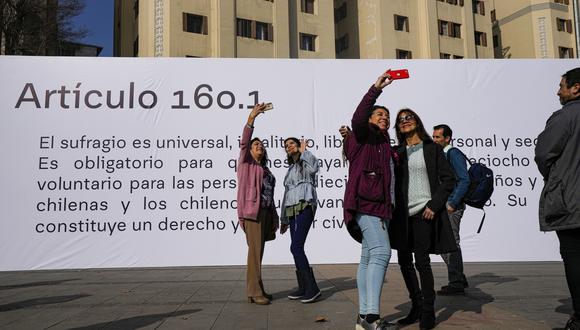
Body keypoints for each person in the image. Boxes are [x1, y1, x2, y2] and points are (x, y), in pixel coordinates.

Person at [389, 108, 456, 330]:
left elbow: (448, 180)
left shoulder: (432, 148)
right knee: (404, 262)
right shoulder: (396, 151)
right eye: (400, 121)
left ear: (417, 122)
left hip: (423, 212)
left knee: (422, 263)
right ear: (398, 128)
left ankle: (428, 311)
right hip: (402, 216)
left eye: (408, 118)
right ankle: (416, 306)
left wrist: (434, 205)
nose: (405, 122)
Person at [342, 73, 398, 330]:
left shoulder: (385, 142)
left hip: (380, 208)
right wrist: (376, 89)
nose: (384, 118)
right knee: (382, 253)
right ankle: (372, 316)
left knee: (367, 257)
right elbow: (357, 117)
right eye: (379, 115)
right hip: (366, 204)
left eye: (387, 116)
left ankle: (364, 316)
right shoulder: (363, 135)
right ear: (369, 120)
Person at [535, 67, 580, 330]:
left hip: (571, 202)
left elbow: (544, 154)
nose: (558, 91)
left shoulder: (565, 117)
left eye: (562, 85)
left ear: (576, 88)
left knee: (574, 256)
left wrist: (556, 178)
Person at [237, 103, 279, 305]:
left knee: (258, 253)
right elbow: (244, 143)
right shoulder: (246, 163)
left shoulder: (266, 170)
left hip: (265, 213)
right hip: (252, 214)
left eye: (262, 145)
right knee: (254, 254)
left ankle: (257, 288)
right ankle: (254, 291)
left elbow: (270, 196)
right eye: (256, 145)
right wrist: (251, 118)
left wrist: (274, 217)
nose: (259, 147)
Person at [279, 137, 321, 303]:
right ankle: (303, 287)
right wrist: (284, 218)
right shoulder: (290, 170)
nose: (288, 146)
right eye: (286, 145)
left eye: (291, 143)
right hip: (291, 210)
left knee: (296, 246)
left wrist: (305, 151)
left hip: (305, 205)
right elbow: (286, 195)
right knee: (296, 248)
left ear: (298, 146)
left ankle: (312, 288)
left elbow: (314, 168)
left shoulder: (306, 163)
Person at [432, 124, 470, 295]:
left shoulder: (453, 153)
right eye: (433, 137)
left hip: (451, 207)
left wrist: (452, 203)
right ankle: (458, 277)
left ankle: (456, 282)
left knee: (451, 243)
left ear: (447, 138)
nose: (434, 140)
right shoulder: (441, 154)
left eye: (438, 137)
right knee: (442, 242)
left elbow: (464, 180)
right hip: (443, 205)